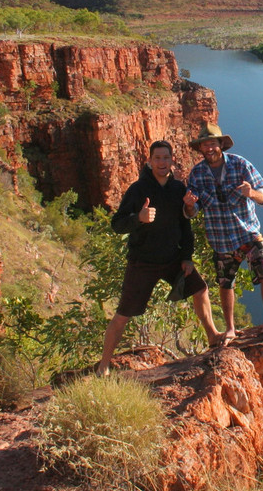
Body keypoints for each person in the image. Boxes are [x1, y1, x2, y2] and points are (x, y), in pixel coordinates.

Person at [95, 140, 221, 374]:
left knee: (200, 288)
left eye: (166, 158)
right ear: (150, 161)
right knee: (123, 315)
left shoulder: (178, 189)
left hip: (172, 259)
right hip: (142, 263)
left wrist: (187, 257)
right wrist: (138, 218)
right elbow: (117, 224)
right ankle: (104, 365)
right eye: (158, 158)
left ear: (173, 160)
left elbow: (185, 226)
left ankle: (213, 335)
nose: (162, 162)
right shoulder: (138, 189)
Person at [184, 123, 263, 344]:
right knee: (226, 284)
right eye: (204, 145)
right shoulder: (197, 173)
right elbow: (192, 211)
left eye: (212, 143)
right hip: (221, 240)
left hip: (248, 233)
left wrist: (252, 193)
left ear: (221, 144)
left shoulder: (241, 165)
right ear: (200, 149)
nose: (208, 148)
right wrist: (189, 205)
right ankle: (230, 329)